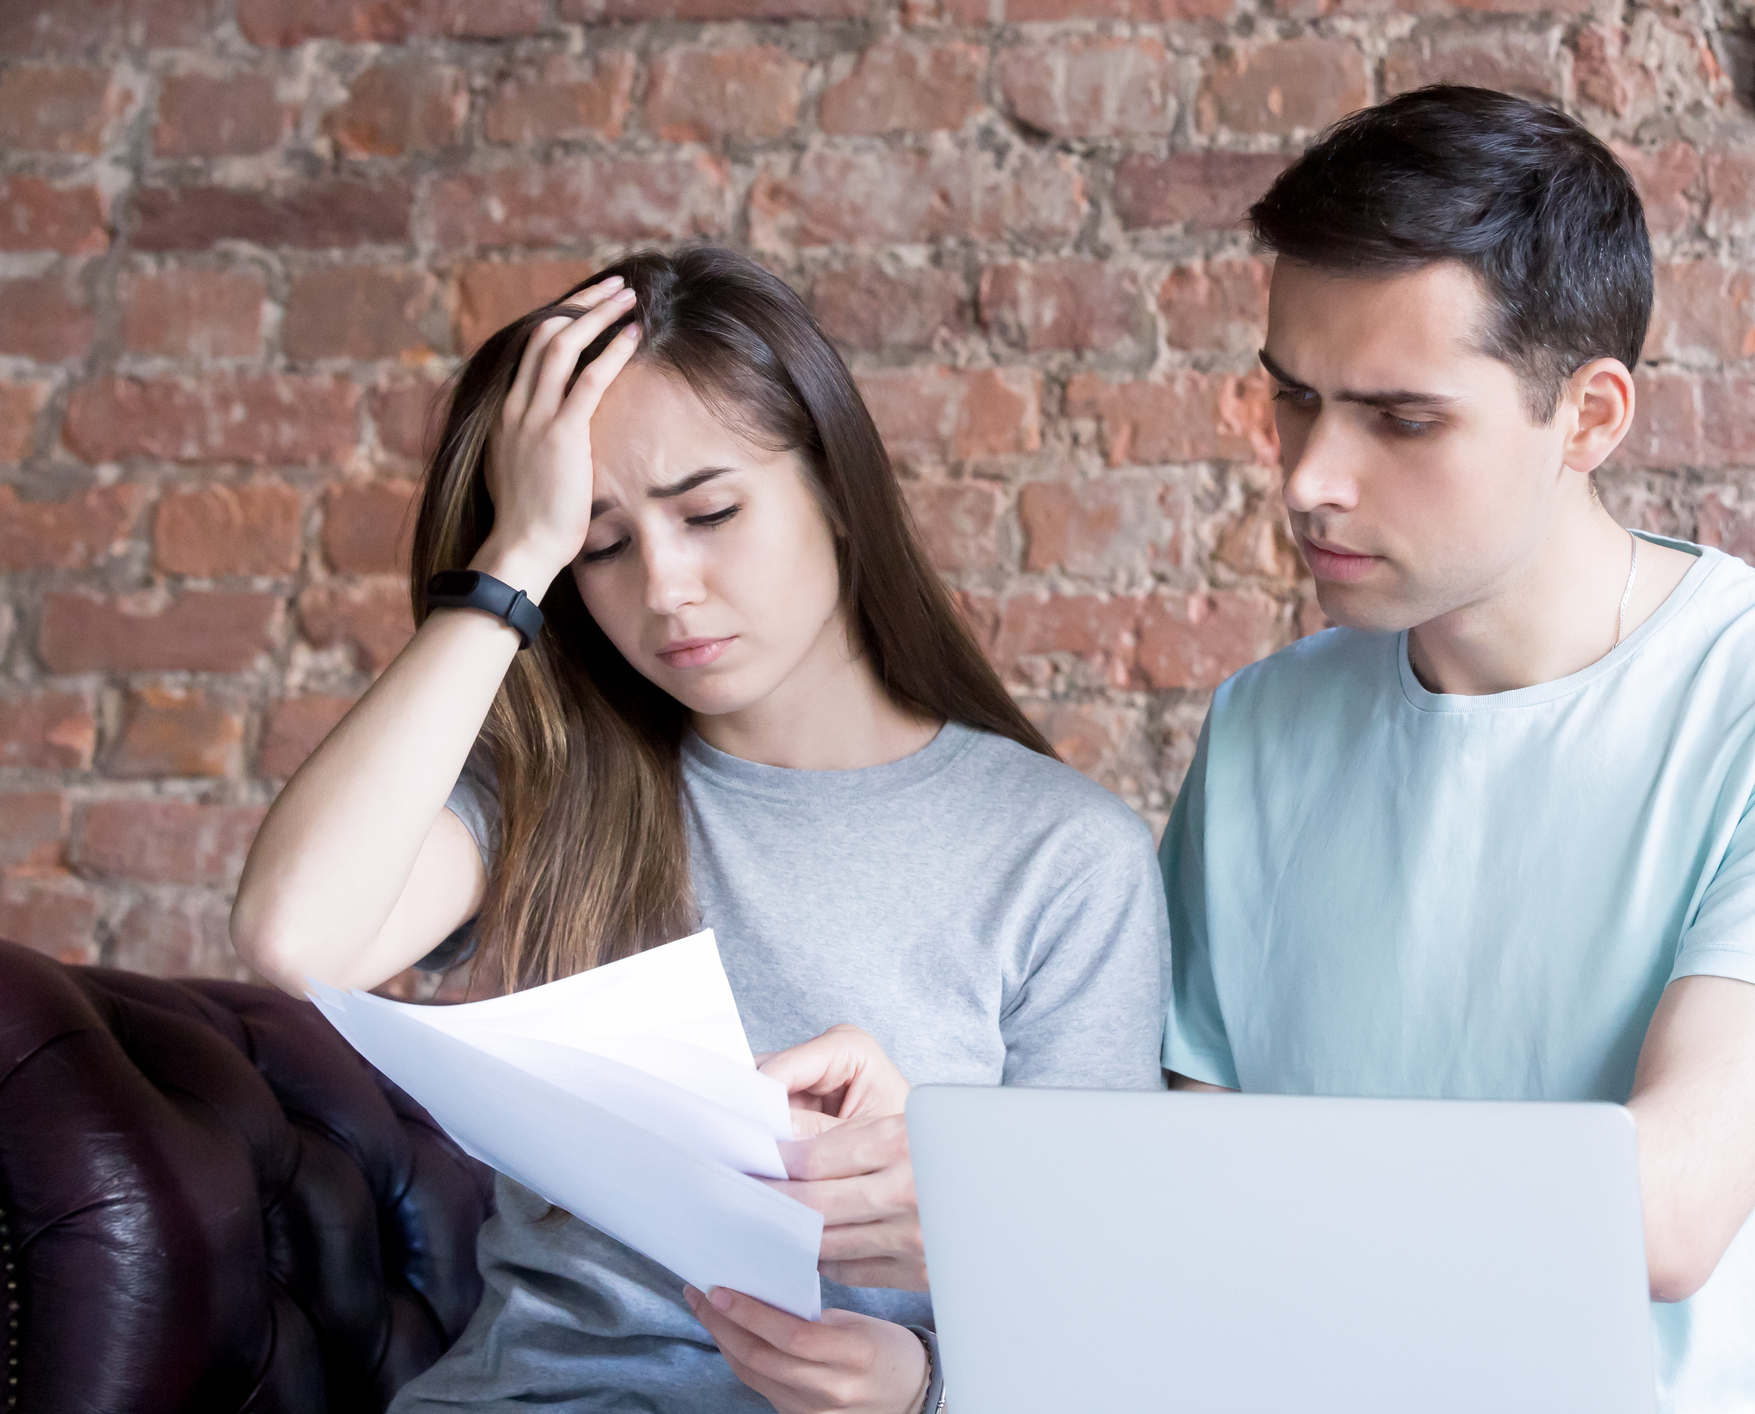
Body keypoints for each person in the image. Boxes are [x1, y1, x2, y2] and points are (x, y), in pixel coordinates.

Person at [231, 243, 1168, 1414]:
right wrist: (516, 557)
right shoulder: (553, 791)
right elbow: (295, 938)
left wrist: (925, 1388)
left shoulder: (1062, 856)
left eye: (710, 511)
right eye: (604, 543)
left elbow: (1096, 1304)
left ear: (832, 484)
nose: (665, 587)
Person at [1160, 87, 1755, 1412]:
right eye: (1294, 399)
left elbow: (1663, 1208)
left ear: (1589, 417)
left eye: (1399, 418)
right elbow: (1181, 1190)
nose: (1307, 476)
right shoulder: (1261, 724)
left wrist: (1194, 1179)